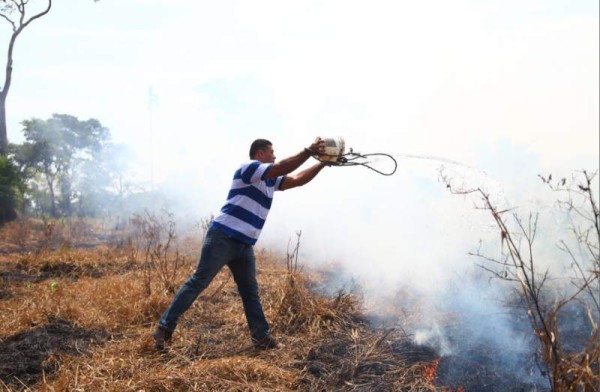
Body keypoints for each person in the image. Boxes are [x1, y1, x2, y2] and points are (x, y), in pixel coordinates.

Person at [153, 137, 328, 350]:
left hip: (244, 245)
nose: (274, 156)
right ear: (260, 153)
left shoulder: (270, 181)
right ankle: (164, 327)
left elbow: (297, 179)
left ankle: (261, 337)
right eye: (271, 152)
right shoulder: (249, 168)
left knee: (250, 291)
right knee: (199, 281)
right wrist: (309, 151)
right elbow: (283, 166)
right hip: (223, 237)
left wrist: (322, 163)